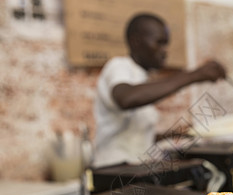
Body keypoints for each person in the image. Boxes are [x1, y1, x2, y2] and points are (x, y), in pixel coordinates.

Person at [93, 13, 226, 168]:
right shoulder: (118, 66)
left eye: (166, 44)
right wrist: (194, 75)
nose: (164, 51)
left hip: (136, 169)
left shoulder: (141, 77)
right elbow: (126, 98)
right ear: (135, 42)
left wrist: (174, 134)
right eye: (159, 43)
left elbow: (134, 135)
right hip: (112, 170)